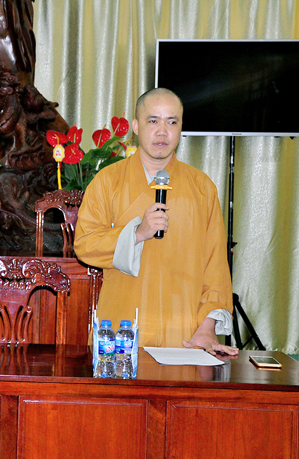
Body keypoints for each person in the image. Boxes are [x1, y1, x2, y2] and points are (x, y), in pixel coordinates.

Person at [74, 88, 238, 355]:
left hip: (184, 334)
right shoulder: (107, 181)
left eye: (172, 122)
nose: (162, 132)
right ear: (136, 127)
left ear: (181, 127)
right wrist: (136, 233)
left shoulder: (202, 188)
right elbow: (84, 245)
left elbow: (215, 266)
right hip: (121, 331)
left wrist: (207, 327)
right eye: (153, 121)